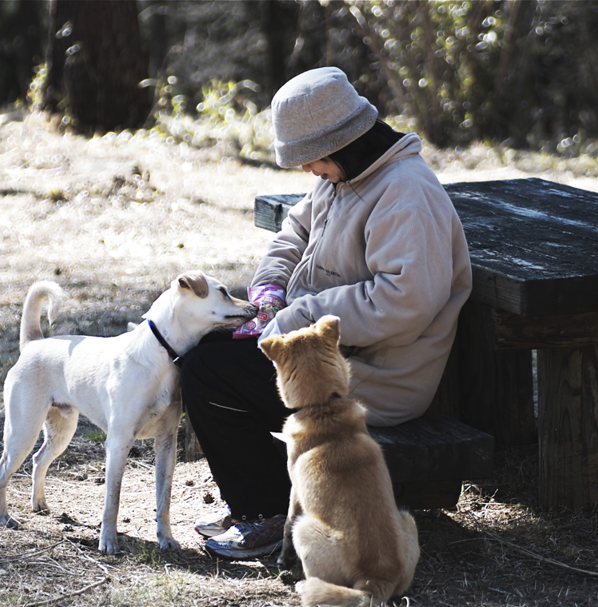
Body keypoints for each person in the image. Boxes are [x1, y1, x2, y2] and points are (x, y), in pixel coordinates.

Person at [180, 67, 472, 560]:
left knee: (210, 372)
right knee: (205, 347)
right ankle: (260, 502)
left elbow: (405, 302)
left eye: (310, 159)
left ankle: (267, 512)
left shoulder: (404, 193)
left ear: (339, 142)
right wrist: (270, 289)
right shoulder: (346, 175)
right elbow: (292, 233)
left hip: (379, 376)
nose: (306, 172)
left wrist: (298, 317)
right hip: (327, 356)